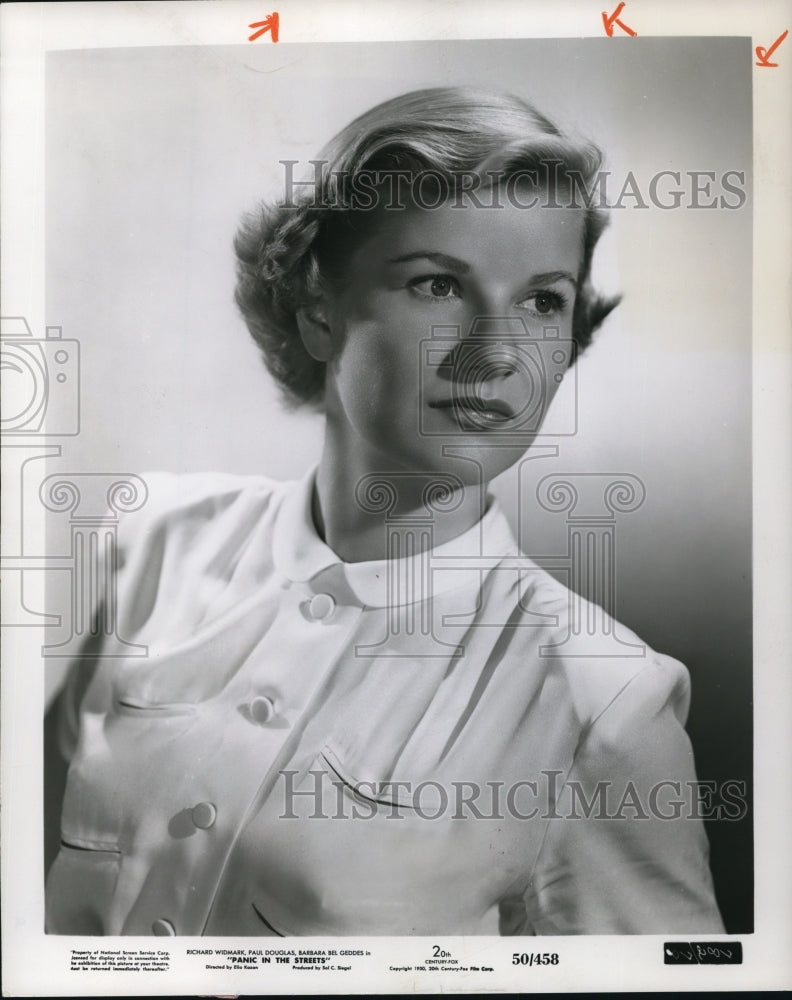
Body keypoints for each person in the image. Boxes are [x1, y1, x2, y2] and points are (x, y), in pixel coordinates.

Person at [45, 87, 724, 936]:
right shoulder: (146, 550)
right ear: (318, 310)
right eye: (439, 284)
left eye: (543, 300)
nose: (496, 354)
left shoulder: (604, 698)